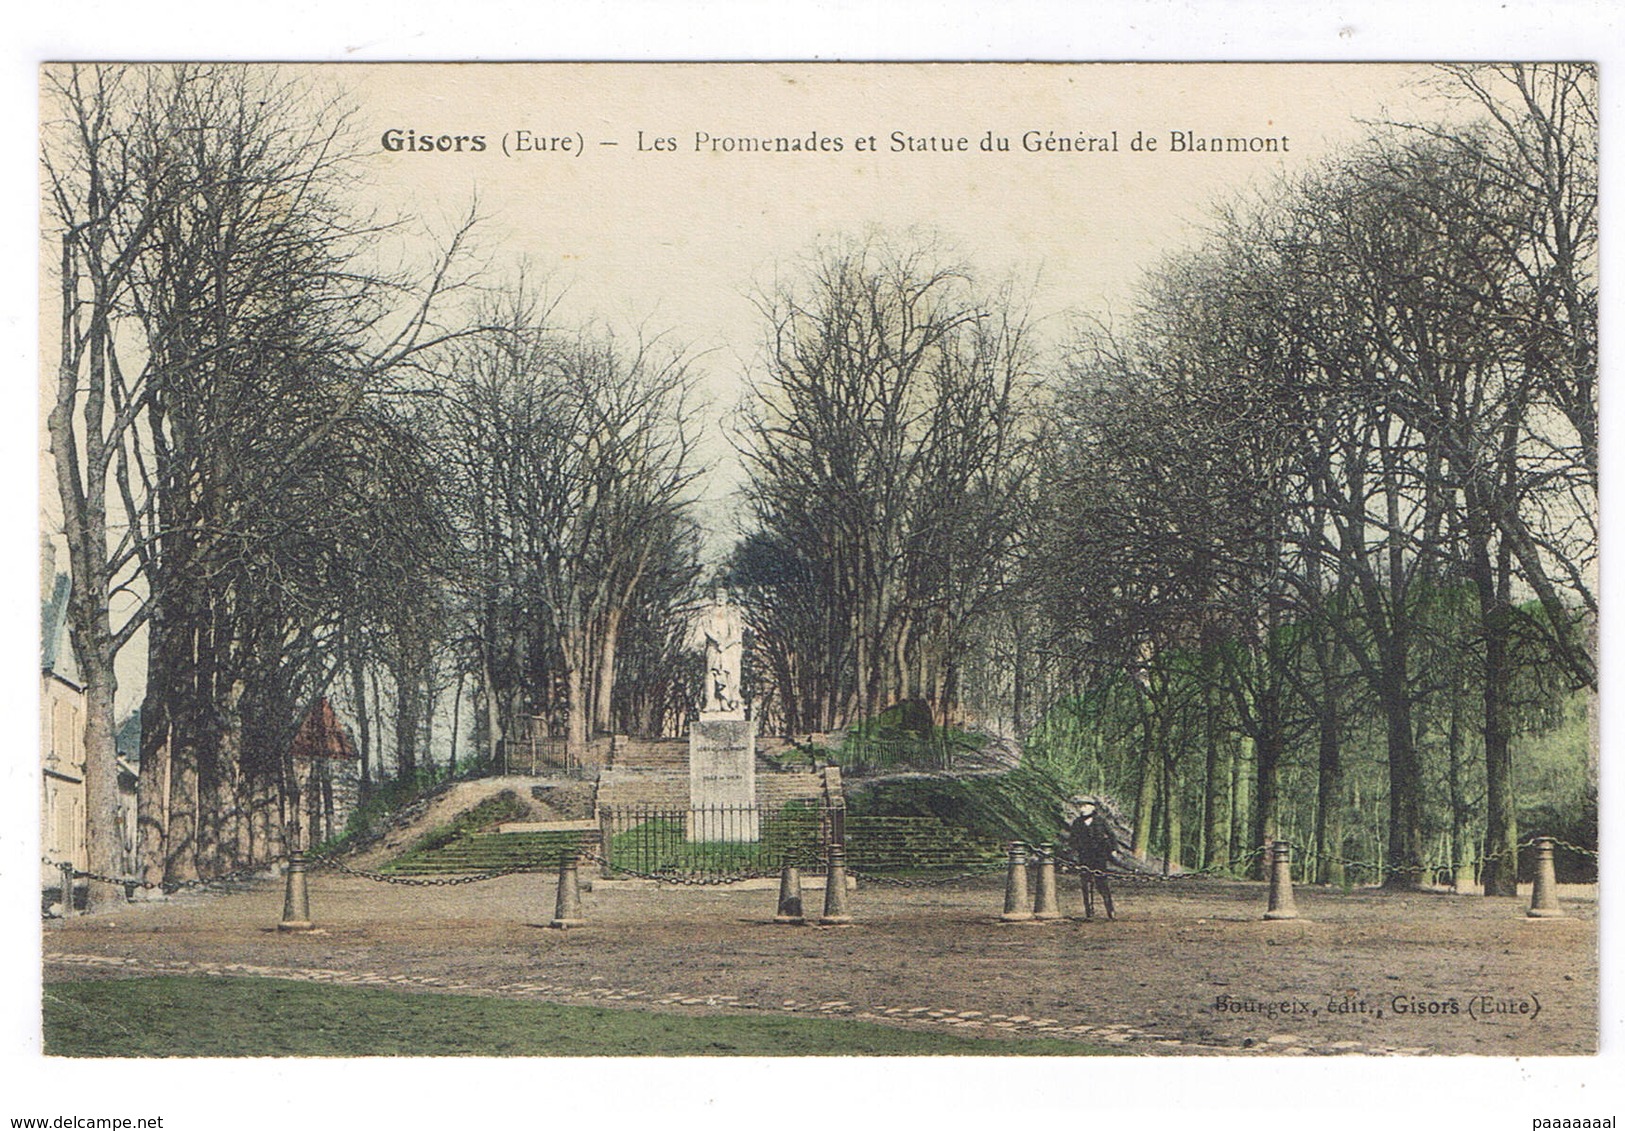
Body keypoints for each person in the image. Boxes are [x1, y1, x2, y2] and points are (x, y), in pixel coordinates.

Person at [1068, 795, 1118, 920]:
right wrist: (1073, 852)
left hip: (1099, 856)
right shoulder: (1077, 823)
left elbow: (1111, 835)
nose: (1082, 809)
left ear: (1092, 807)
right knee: (1086, 883)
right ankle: (1089, 911)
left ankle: (1110, 909)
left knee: (1102, 882)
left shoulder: (1100, 821)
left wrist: (1113, 849)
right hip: (1084, 856)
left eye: (1085, 806)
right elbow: (1072, 839)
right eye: (1080, 806)